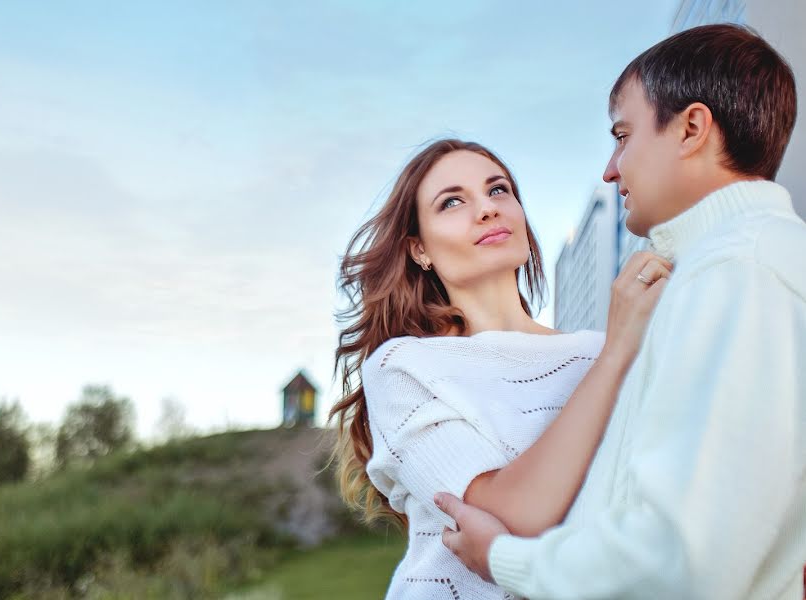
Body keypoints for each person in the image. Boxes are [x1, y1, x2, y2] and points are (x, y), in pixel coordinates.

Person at [436, 23, 806, 599]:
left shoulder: (738, 272)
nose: (611, 169)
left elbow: (682, 557)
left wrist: (503, 559)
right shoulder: (725, 269)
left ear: (691, 128)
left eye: (622, 135)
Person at [328, 137, 671, 599]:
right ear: (419, 250)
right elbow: (517, 519)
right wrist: (616, 356)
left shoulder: (606, 348)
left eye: (498, 190)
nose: (487, 209)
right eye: (452, 202)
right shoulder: (404, 367)